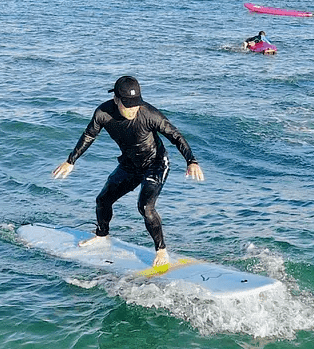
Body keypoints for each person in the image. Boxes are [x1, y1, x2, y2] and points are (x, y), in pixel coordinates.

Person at [51, 76, 205, 267]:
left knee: (145, 207)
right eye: (128, 104)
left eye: (136, 104)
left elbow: (175, 136)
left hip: (155, 164)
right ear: (116, 99)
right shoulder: (103, 113)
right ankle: (102, 235)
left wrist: (191, 161)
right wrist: (70, 161)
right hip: (130, 165)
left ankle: (161, 250)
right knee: (103, 200)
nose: (133, 109)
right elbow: (89, 135)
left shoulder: (149, 114)